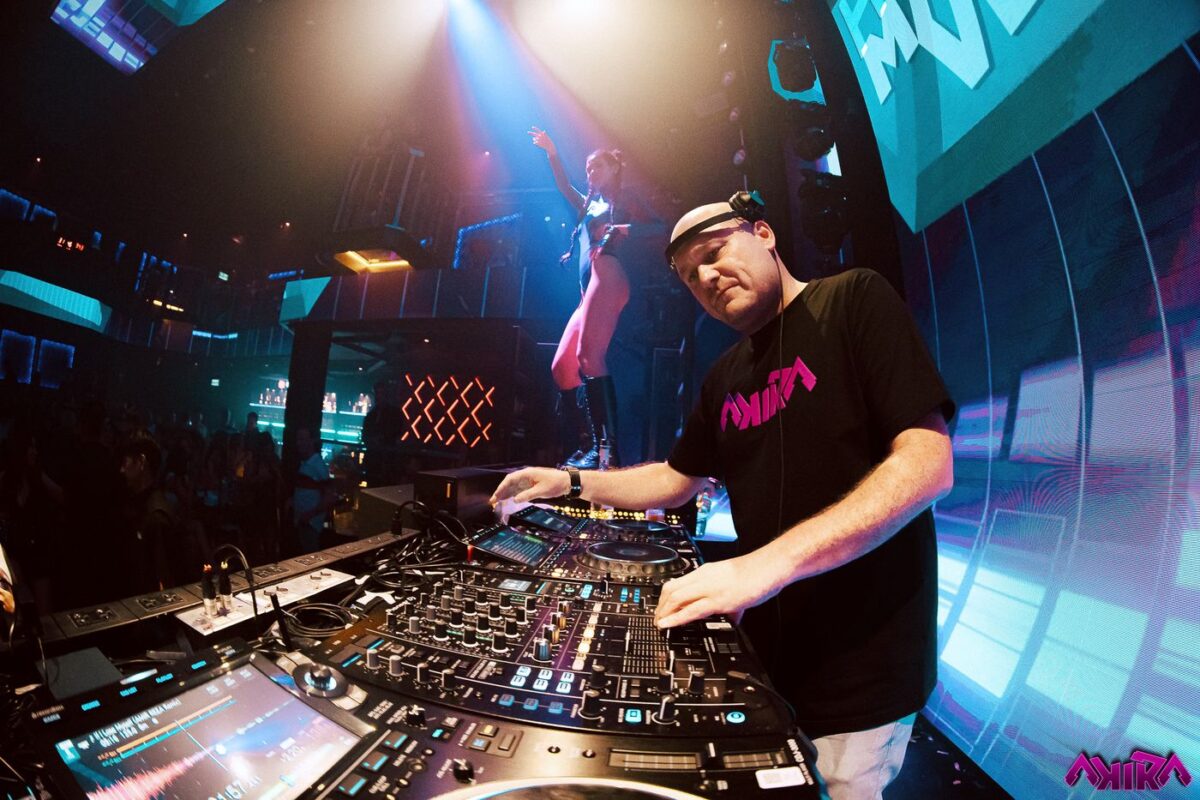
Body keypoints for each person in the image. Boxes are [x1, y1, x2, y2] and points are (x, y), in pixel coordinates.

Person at [490, 194, 955, 800]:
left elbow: (927, 465)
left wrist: (764, 566)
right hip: (768, 656)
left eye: (714, 252)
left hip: (863, 667)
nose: (706, 277)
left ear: (764, 233)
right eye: (690, 276)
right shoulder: (727, 374)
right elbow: (676, 478)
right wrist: (570, 483)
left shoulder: (853, 299)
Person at [528, 126, 662, 468]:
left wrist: (625, 229)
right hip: (587, 289)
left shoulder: (625, 200)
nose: (590, 173)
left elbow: (661, 227)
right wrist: (552, 152)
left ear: (614, 168)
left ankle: (606, 451)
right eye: (588, 169)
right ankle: (588, 445)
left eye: (597, 167)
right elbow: (564, 186)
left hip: (609, 276)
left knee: (589, 357)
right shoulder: (589, 205)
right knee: (563, 368)